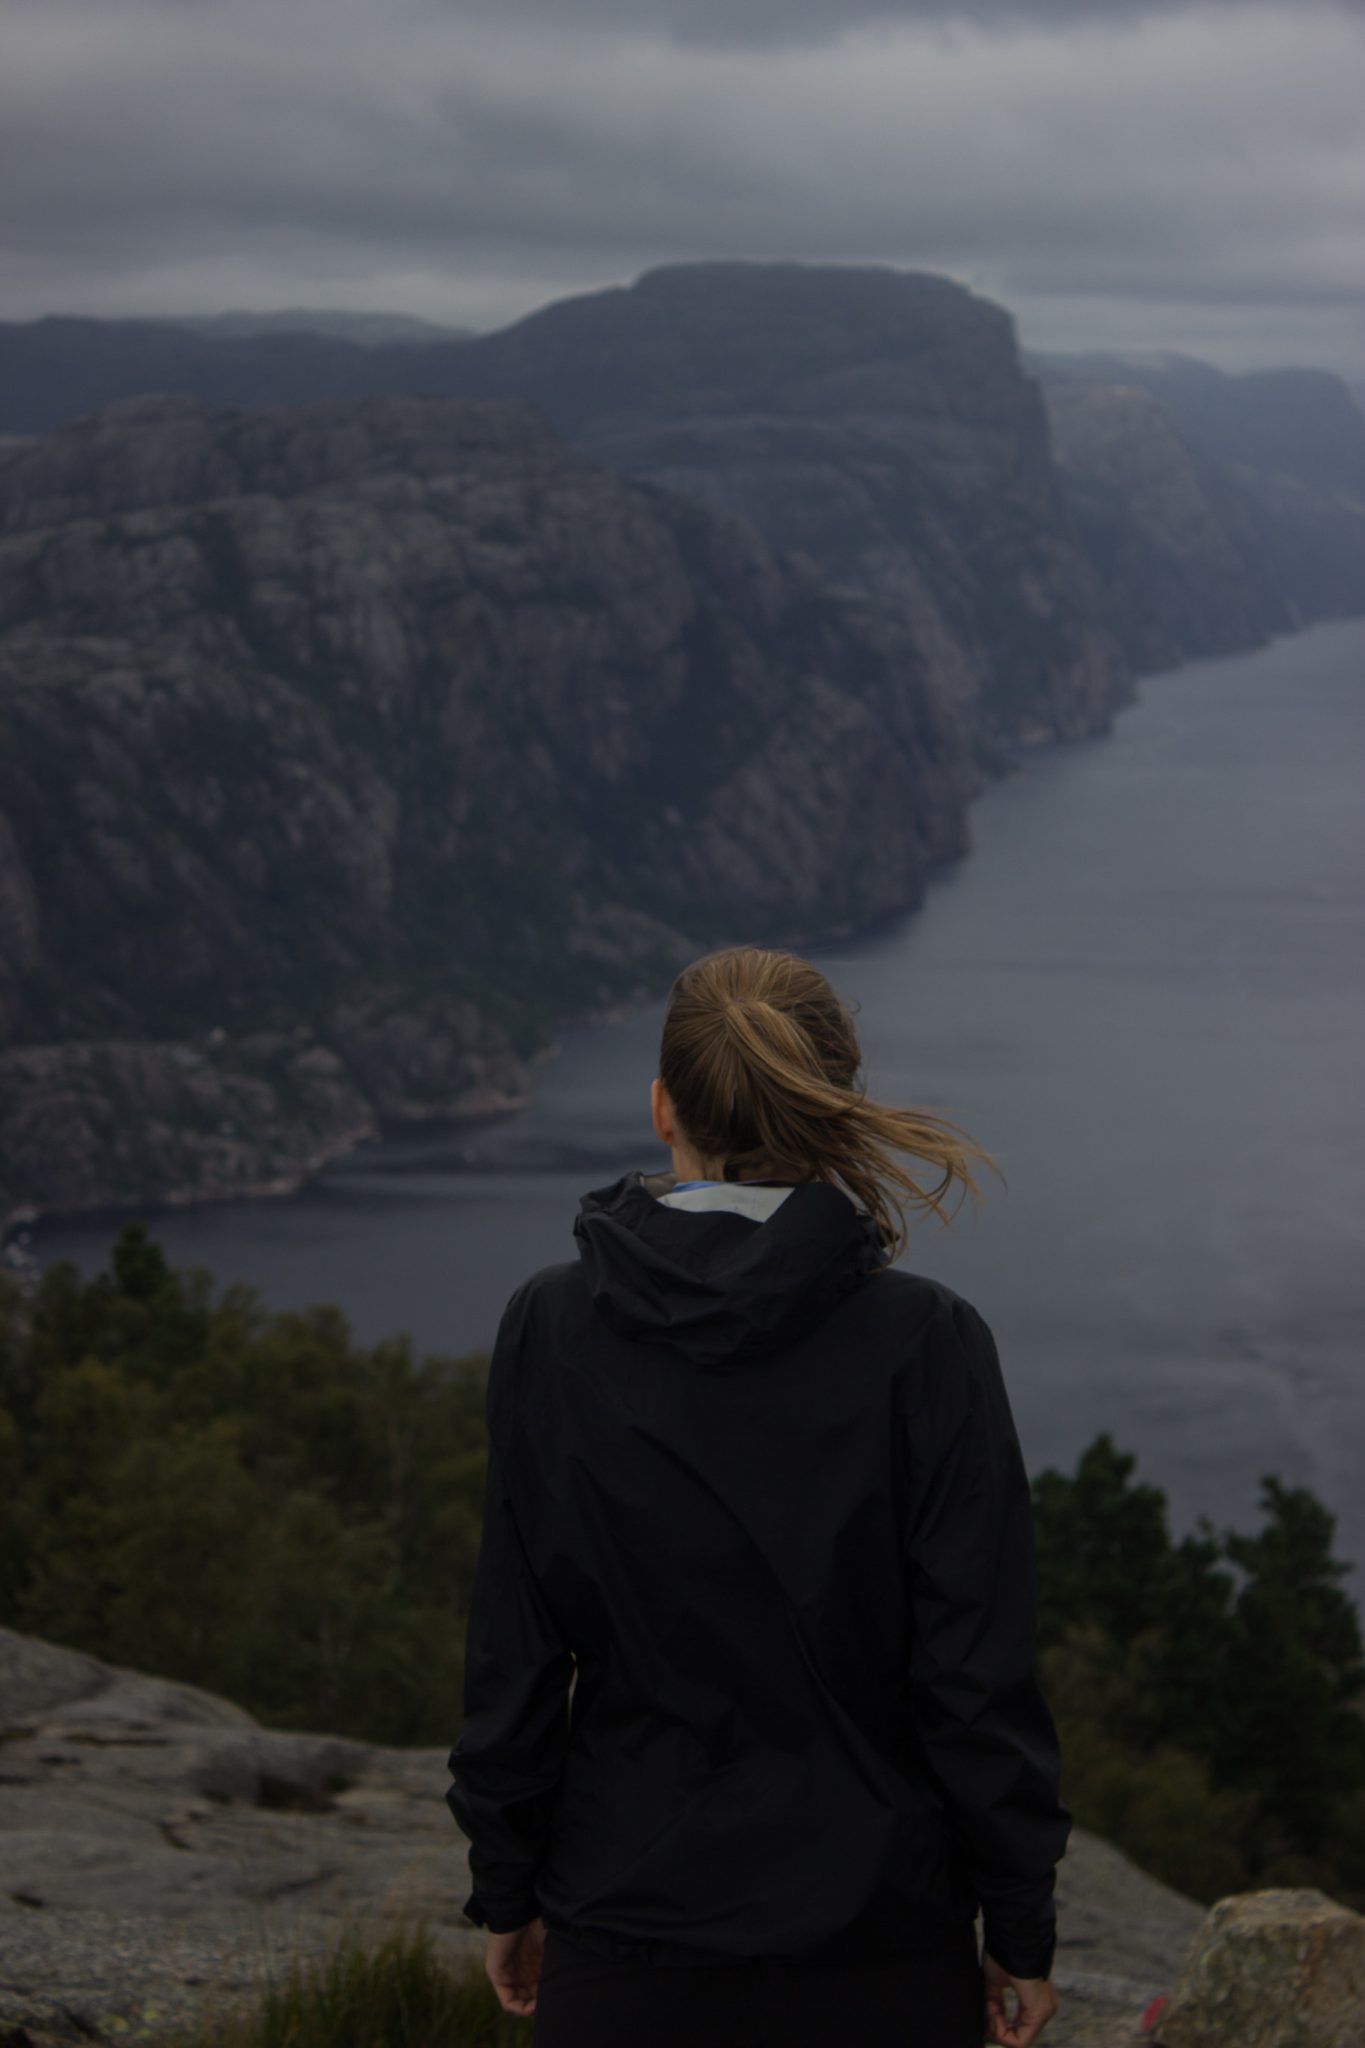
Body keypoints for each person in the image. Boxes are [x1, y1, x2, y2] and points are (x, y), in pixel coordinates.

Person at [447, 944, 1072, 2047]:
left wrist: (508, 1886)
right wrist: (1018, 1925)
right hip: (881, 1952)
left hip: (624, 1935)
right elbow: (977, 1678)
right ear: (837, 1107)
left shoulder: (551, 1327)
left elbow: (517, 1651)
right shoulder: (926, 1345)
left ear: (660, 1106)